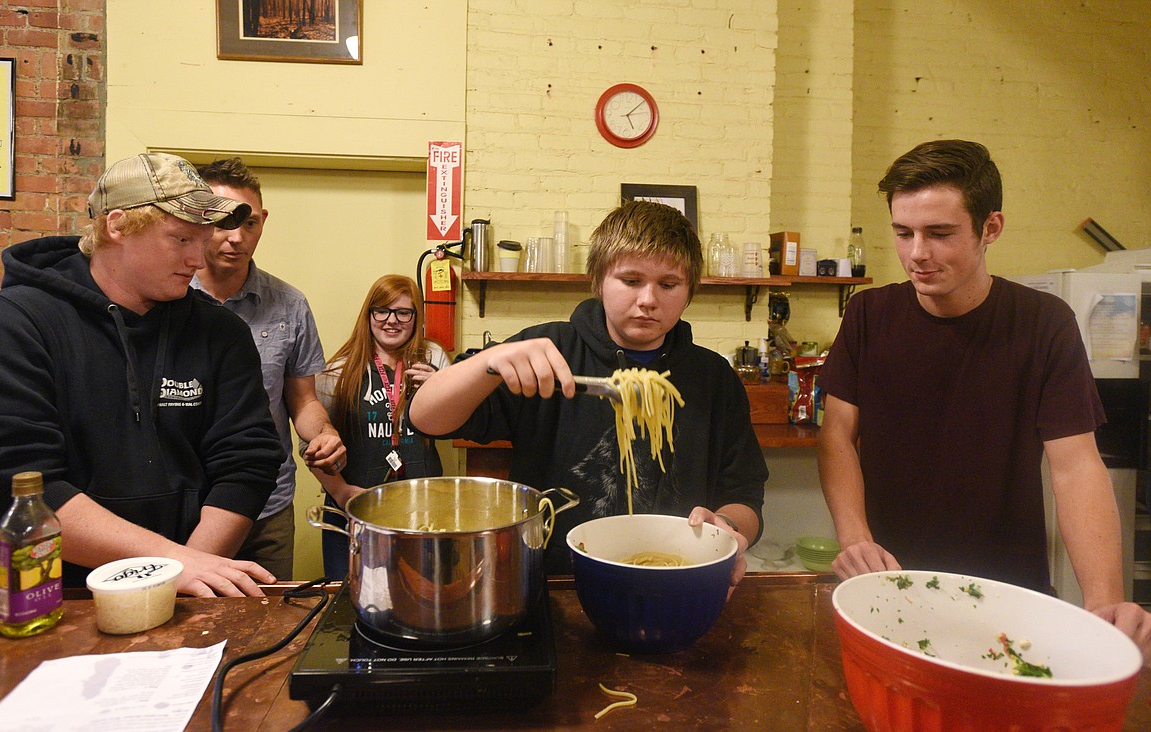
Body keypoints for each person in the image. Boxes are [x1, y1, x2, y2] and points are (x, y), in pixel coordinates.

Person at [816, 138, 1151, 661]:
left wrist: (1104, 602)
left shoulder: (1044, 324)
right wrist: (854, 536)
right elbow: (837, 434)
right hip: (892, 585)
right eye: (903, 233)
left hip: (1009, 596)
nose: (917, 254)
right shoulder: (868, 316)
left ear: (990, 227)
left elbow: (1076, 467)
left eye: (940, 233)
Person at [407, 200, 767, 590]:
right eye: (630, 281)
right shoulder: (549, 351)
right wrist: (488, 362)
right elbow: (427, 418)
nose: (648, 300)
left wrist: (729, 528)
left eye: (668, 284)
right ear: (598, 280)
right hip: (554, 583)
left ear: (689, 290)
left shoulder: (713, 377)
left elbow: (744, 495)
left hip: (678, 581)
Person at [0, 152, 286, 597]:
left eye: (202, 241)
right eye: (181, 239)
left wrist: (186, 576)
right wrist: (171, 566)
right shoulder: (11, 323)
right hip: (53, 595)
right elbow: (17, 484)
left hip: (186, 589)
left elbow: (248, 462)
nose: (198, 260)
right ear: (117, 225)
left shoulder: (220, 331)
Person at [191, 157, 346, 580]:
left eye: (251, 224)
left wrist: (325, 434)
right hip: (189, 506)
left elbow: (302, 400)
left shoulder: (289, 305)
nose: (237, 238)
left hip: (268, 505)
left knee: (270, 630)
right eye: (223, 222)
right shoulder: (166, 299)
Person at [314, 274, 450, 578]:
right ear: (369, 314)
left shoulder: (434, 357)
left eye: (404, 312)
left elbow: (457, 426)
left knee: (424, 596)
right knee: (352, 597)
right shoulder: (338, 370)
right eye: (382, 310)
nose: (392, 321)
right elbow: (313, 445)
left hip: (422, 509)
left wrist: (441, 387)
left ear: (417, 317)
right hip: (354, 507)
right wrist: (342, 493)